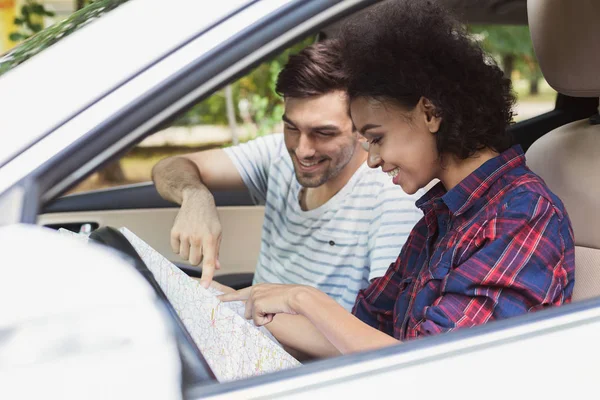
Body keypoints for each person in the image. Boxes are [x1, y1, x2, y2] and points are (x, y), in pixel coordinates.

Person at [219, 0, 575, 358]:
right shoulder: (441, 218)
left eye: (377, 138)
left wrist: (303, 297)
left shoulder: (521, 216)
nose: (372, 160)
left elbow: (435, 368)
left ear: (429, 113)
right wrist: (235, 308)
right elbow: (365, 328)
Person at [152, 39, 422, 311]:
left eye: (324, 133)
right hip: (252, 331)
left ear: (360, 129)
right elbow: (170, 166)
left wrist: (241, 308)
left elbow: (379, 333)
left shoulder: (391, 196)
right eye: (292, 128)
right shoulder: (277, 154)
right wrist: (195, 196)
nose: (303, 150)